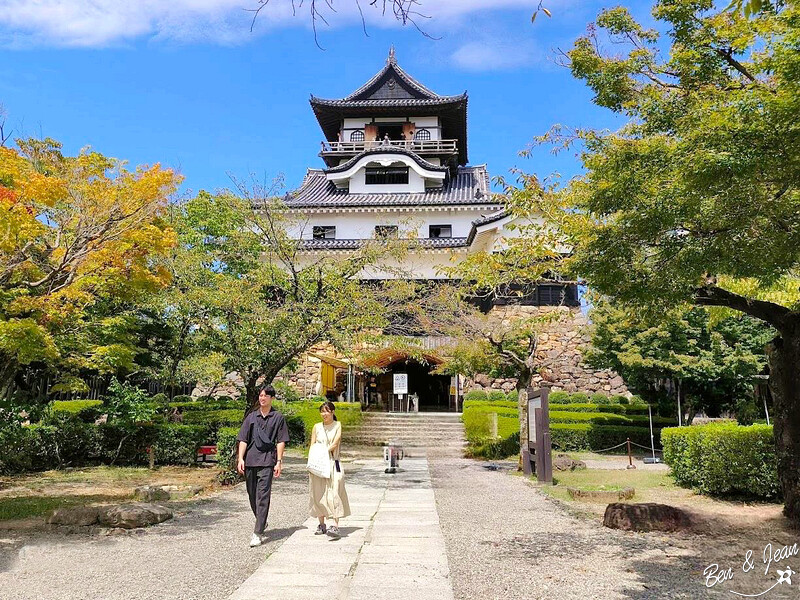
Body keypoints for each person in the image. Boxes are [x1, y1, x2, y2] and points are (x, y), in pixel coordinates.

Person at [237, 384, 290, 547]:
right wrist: (240, 458)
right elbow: (243, 439)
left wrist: (279, 461)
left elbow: (281, 440)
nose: (262, 398)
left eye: (265, 396)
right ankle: (262, 520)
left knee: (263, 496)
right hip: (251, 460)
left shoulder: (278, 417)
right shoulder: (251, 417)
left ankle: (258, 532)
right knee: (252, 495)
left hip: (267, 460)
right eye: (260, 395)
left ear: (272, 398)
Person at [308, 401, 350, 539]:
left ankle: (335, 525)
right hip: (318, 464)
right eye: (322, 411)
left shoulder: (337, 425)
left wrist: (324, 452)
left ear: (332, 412)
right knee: (318, 493)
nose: (324, 414)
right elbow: (312, 444)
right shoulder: (316, 427)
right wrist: (312, 460)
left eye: (326, 411)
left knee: (335, 492)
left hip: (332, 462)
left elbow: (335, 442)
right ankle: (321, 524)